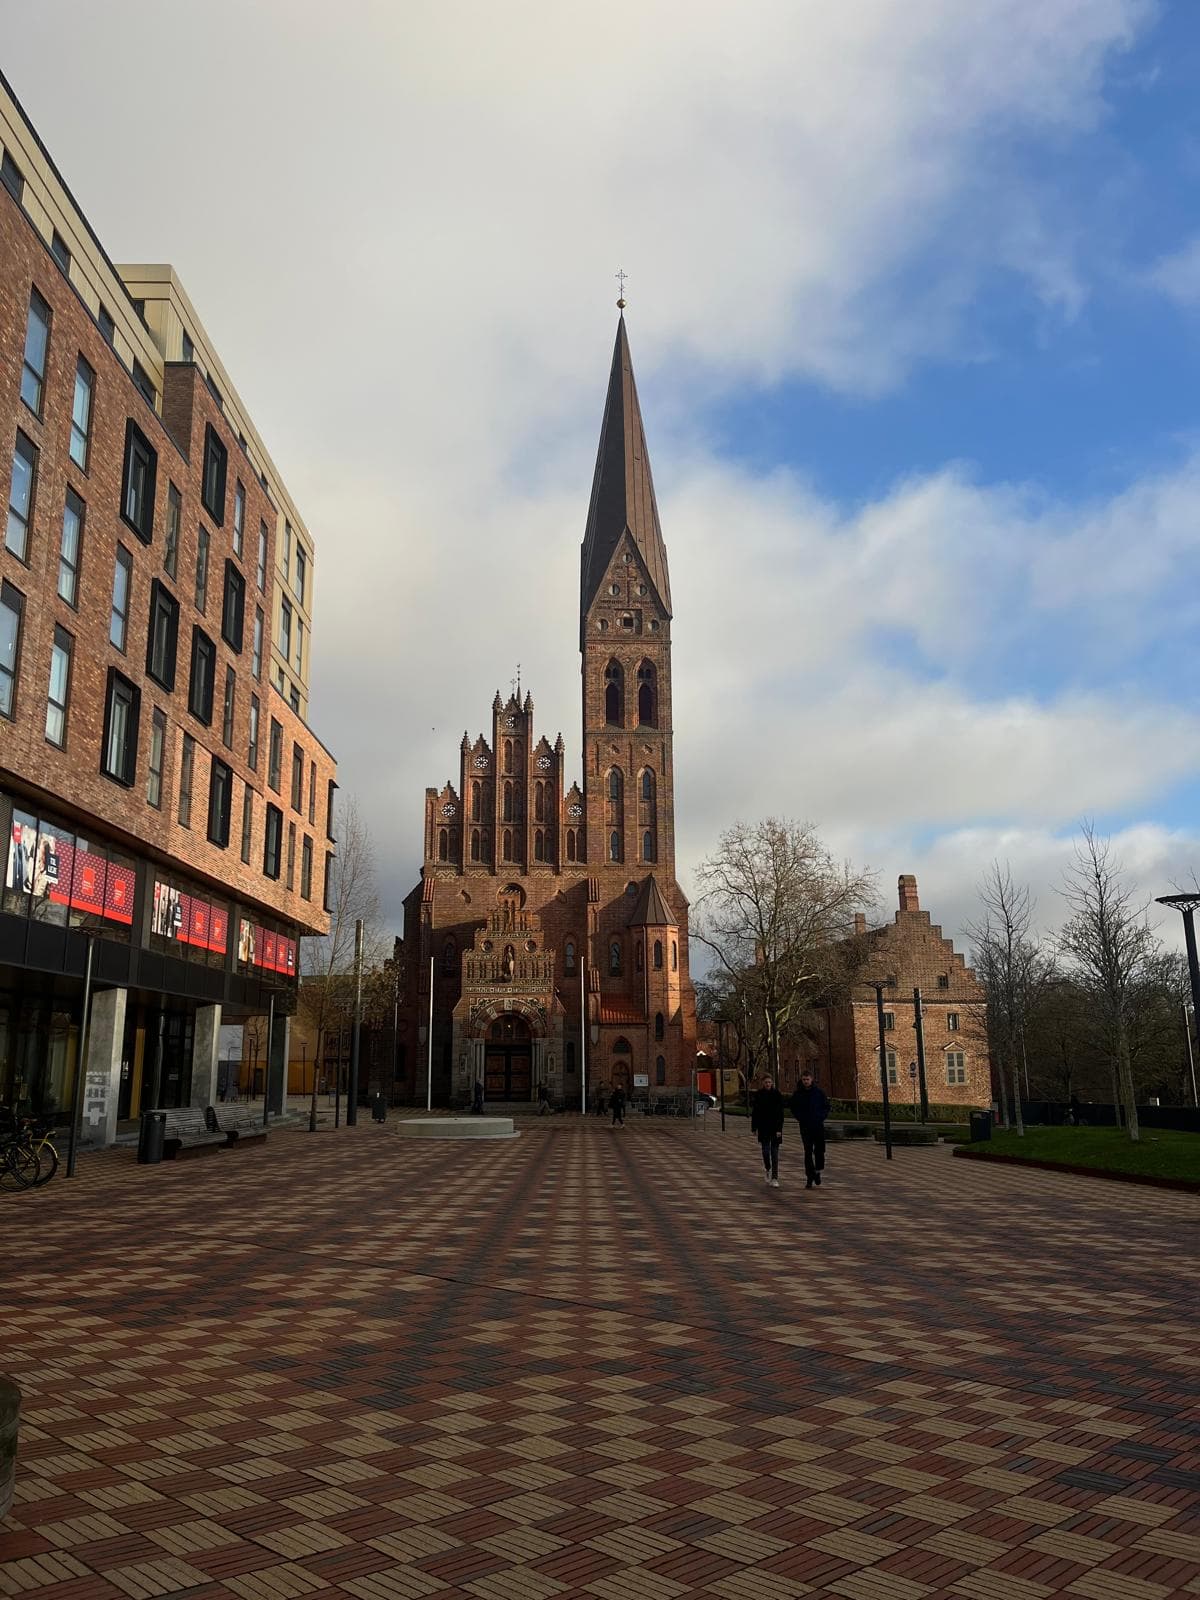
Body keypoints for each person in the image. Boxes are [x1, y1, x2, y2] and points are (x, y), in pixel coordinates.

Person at [789, 1068, 830, 1188]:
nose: (806, 1081)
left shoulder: (819, 1093)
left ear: (811, 1079)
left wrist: (820, 1117)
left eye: (807, 1079)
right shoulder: (798, 1094)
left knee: (819, 1151)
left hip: (817, 1125)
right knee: (808, 1152)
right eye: (804, 1080)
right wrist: (800, 1117)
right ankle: (809, 1176)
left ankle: (817, 1171)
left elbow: (826, 1107)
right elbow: (793, 1107)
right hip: (805, 1126)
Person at [751, 1073, 785, 1187]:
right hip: (763, 1127)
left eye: (769, 1082)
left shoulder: (777, 1094)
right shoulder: (759, 1095)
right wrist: (754, 1127)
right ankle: (767, 1168)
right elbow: (755, 1112)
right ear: (763, 1083)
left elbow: (780, 1113)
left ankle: (775, 1177)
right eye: (766, 1082)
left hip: (775, 1128)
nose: (768, 1084)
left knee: (774, 1153)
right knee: (765, 1151)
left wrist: (779, 1129)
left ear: (772, 1083)